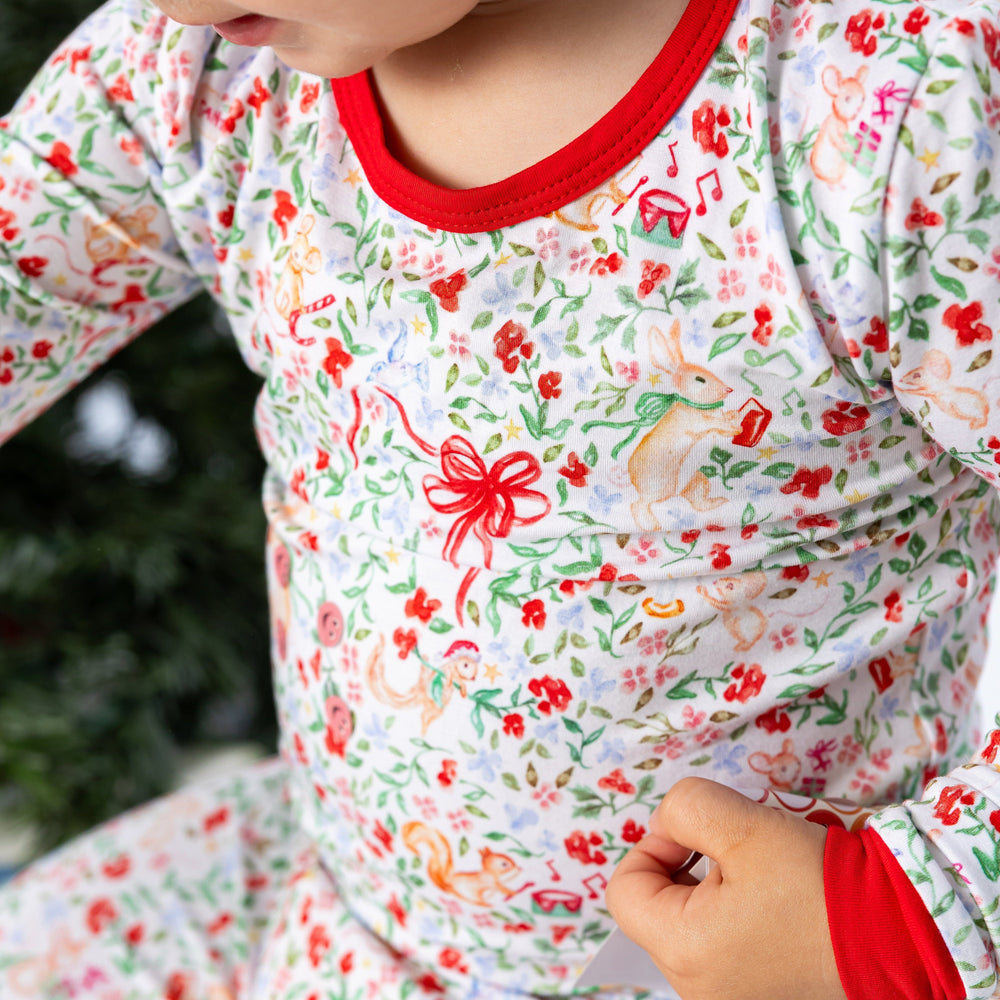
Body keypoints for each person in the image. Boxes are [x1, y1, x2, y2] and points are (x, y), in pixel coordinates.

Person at [0, 0, 999, 997]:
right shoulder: (202, 74)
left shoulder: (896, 107)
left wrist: (903, 917)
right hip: (356, 927)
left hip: (794, 961)